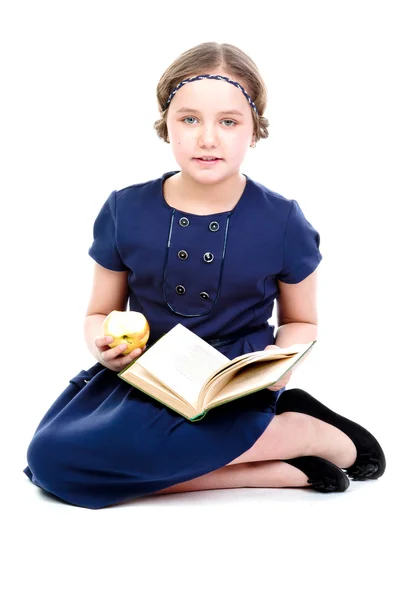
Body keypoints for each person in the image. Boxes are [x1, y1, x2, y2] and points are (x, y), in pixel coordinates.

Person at [23, 42, 385, 509]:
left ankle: (307, 430)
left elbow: (301, 322)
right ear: (165, 124)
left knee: (92, 471)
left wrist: (279, 368)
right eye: (189, 119)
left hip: (230, 393)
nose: (207, 138)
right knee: (51, 461)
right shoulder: (124, 210)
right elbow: (100, 311)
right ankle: (280, 464)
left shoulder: (282, 221)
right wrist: (103, 347)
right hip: (144, 381)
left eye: (228, 122)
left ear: (255, 130)